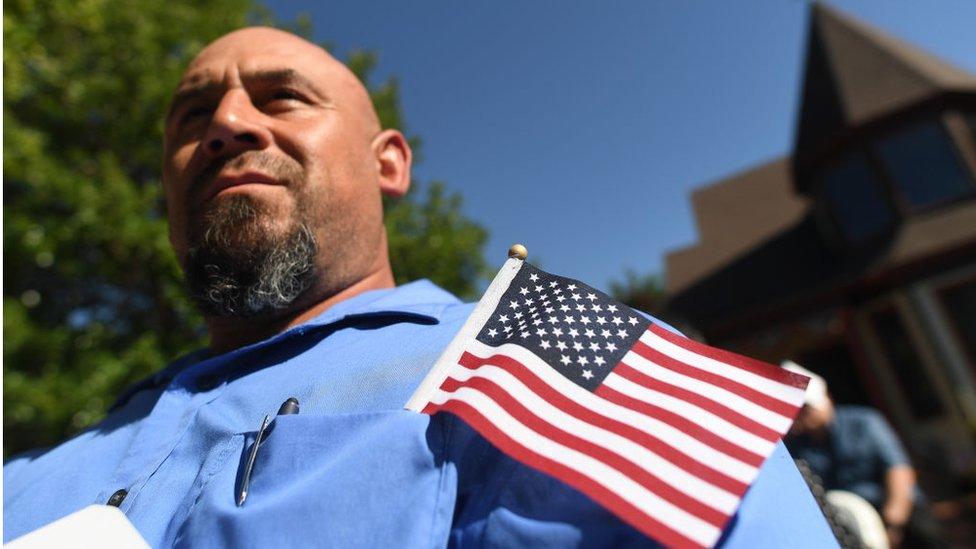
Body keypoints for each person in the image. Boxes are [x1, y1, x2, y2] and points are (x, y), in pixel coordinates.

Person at [4, 27, 835, 547]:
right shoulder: (27, 474)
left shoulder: (546, 351)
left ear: (388, 163)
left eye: (281, 99)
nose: (226, 123)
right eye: (191, 119)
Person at [783, 361, 945, 548]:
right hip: (847, 522)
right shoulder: (796, 445)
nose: (803, 416)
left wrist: (893, 522)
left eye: (807, 409)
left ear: (827, 399)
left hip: (896, 511)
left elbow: (898, 469)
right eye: (798, 411)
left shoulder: (865, 422)